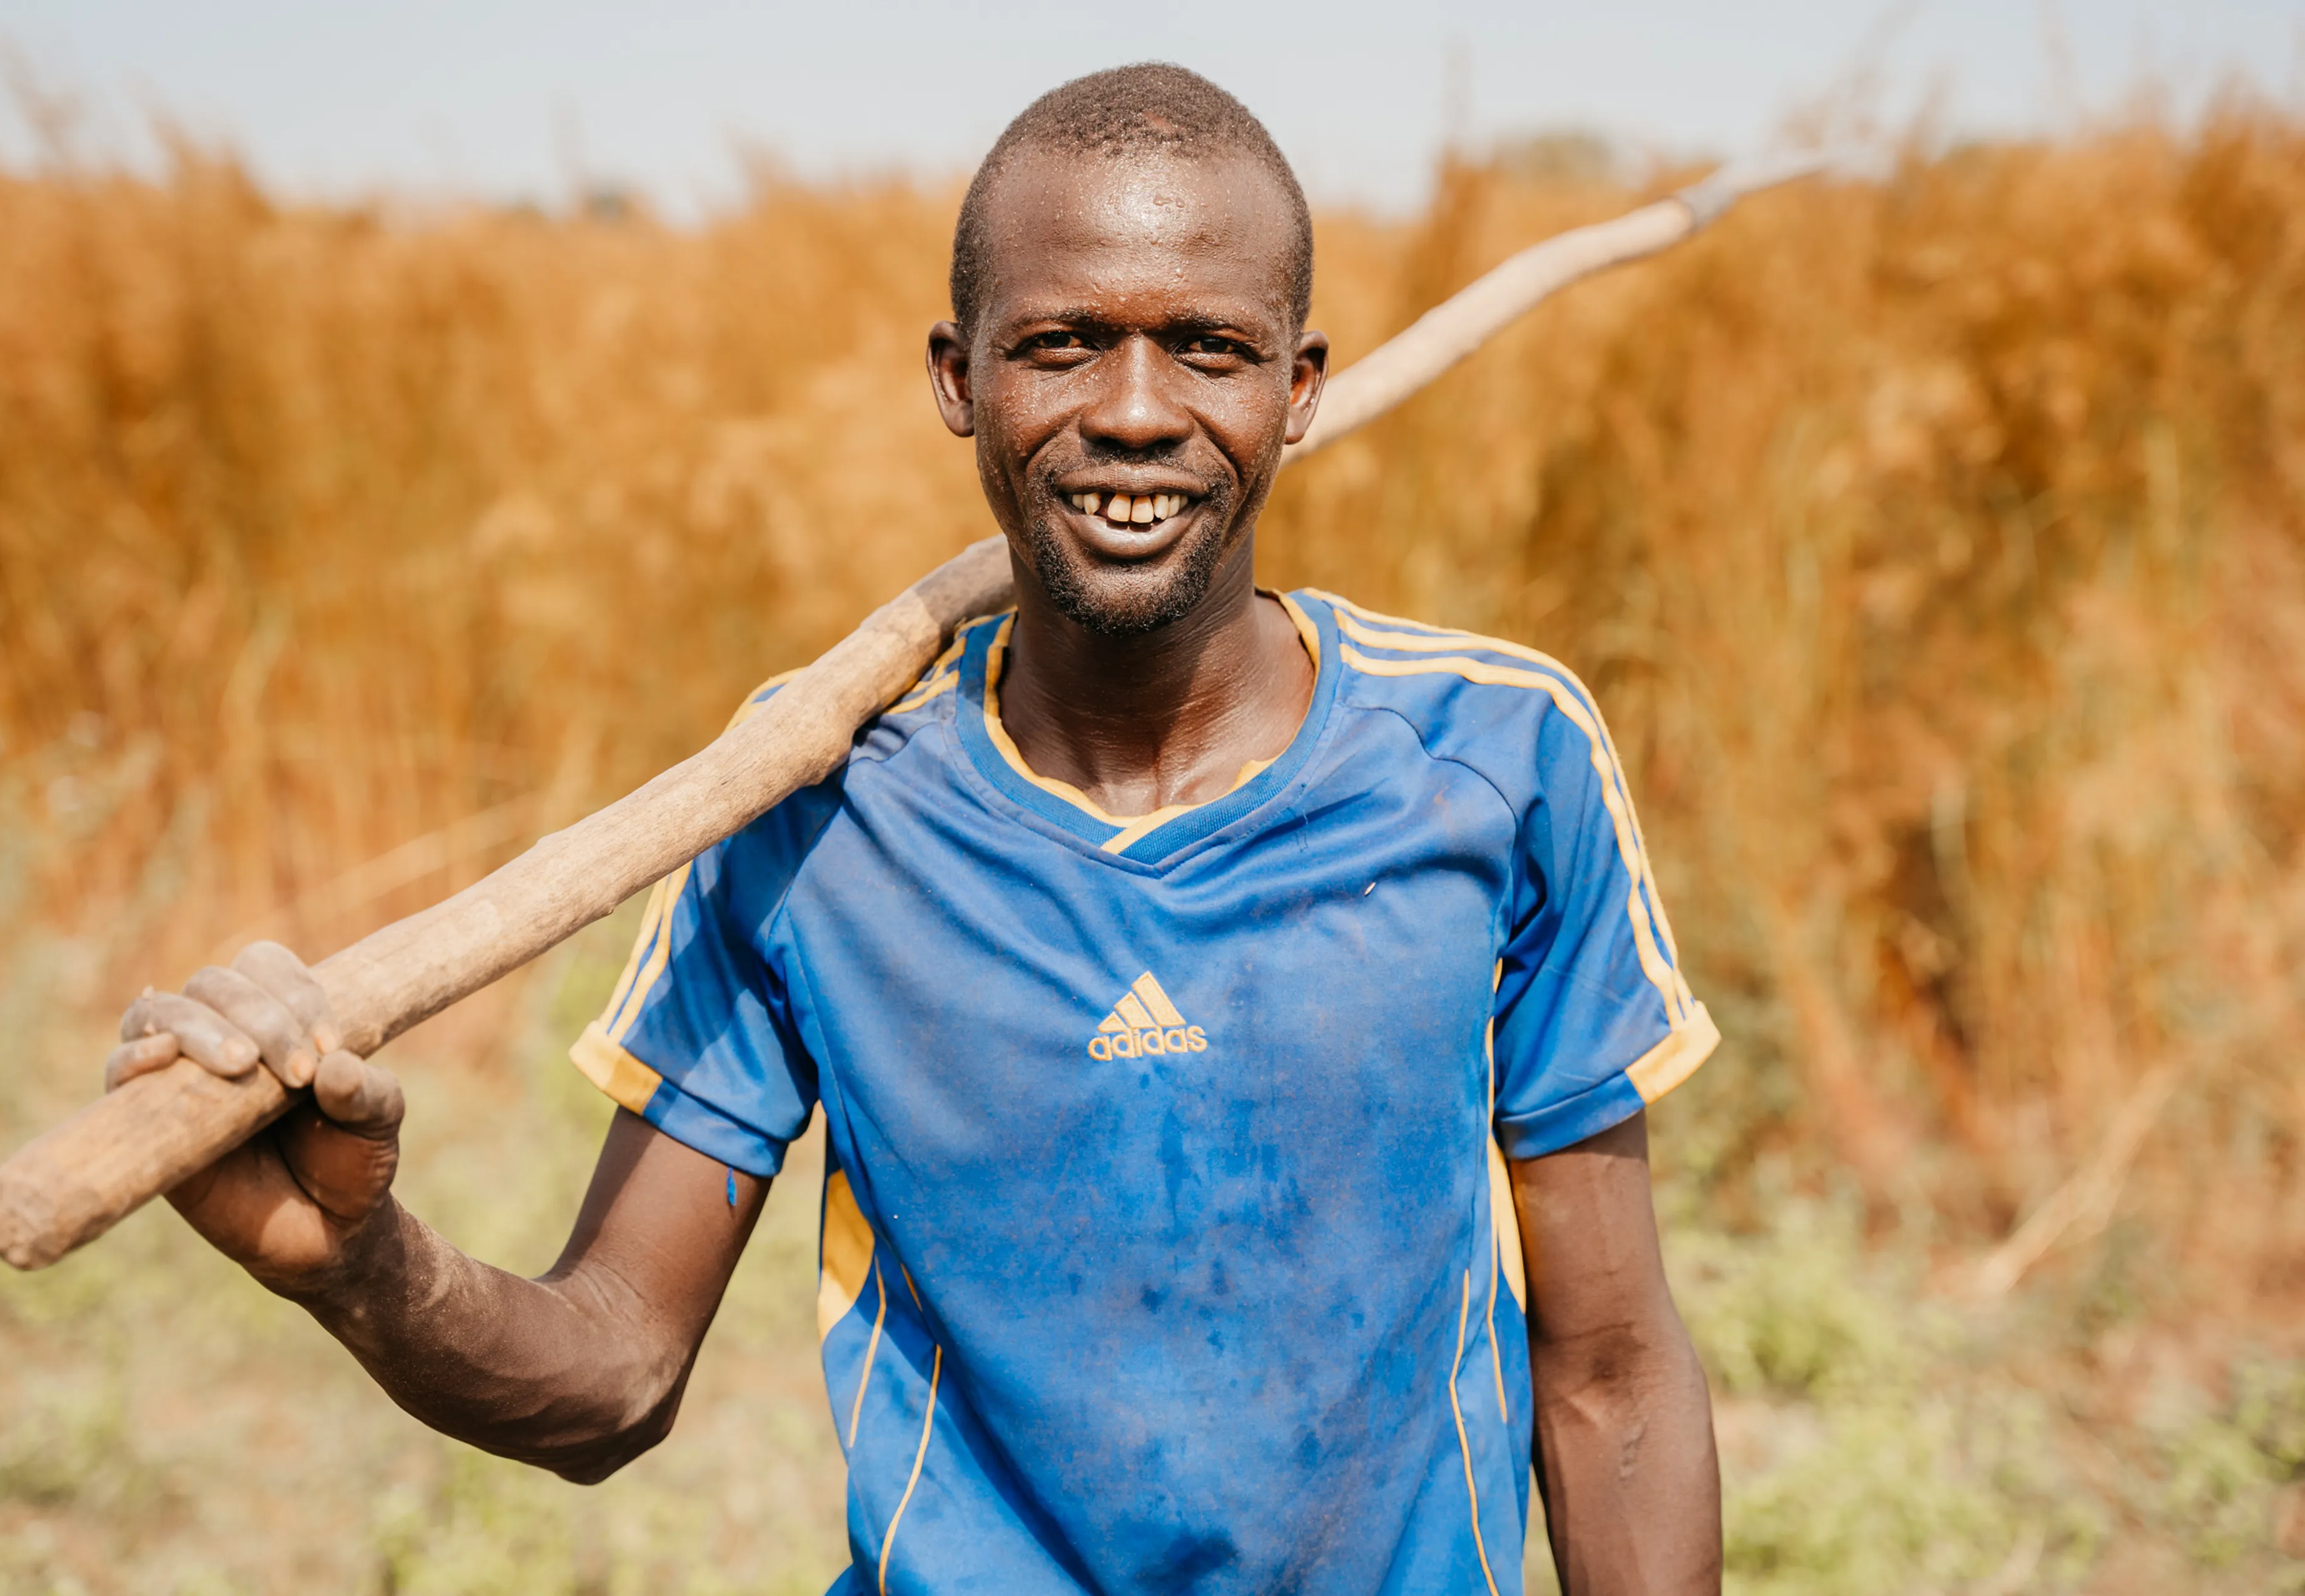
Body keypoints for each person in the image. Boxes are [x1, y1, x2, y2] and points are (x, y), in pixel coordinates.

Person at [107, 62, 1722, 1595]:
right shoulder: (811, 816)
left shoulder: (1494, 756)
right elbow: (609, 1372)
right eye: (1064, 345)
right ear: (960, 380)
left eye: (1210, 350)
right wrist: (359, 1263)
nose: (1138, 412)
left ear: (1300, 392)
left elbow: (1611, 1370)